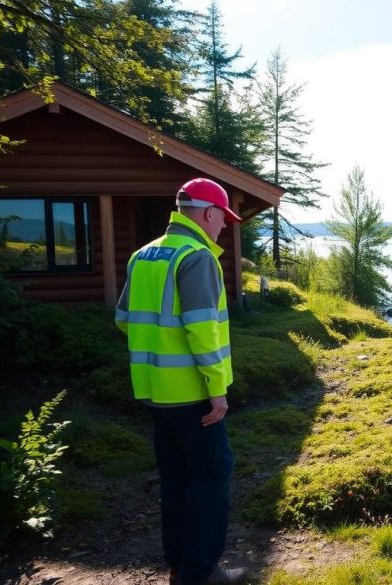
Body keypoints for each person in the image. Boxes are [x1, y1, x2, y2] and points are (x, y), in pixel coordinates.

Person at [115, 178, 247, 585]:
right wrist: (216, 391)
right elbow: (202, 330)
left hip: (154, 392)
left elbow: (124, 318)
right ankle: (200, 572)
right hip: (193, 397)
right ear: (208, 213)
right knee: (211, 475)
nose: (224, 227)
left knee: (175, 479)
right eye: (223, 218)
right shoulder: (197, 257)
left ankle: (178, 564)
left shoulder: (144, 255)